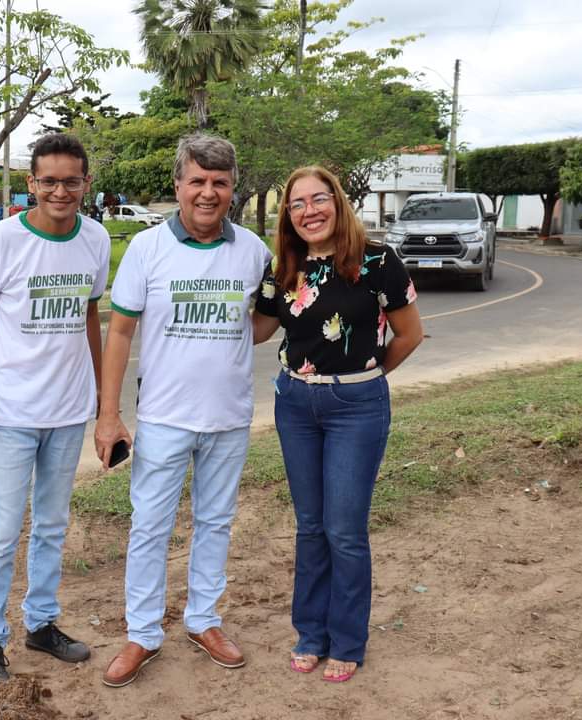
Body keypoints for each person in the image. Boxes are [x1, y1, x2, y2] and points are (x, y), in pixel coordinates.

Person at [95, 134, 272, 688]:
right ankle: (143, 634)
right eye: (197, 181)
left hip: (229, 417)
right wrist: (109, 415)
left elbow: (262, 325)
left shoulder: (254, 251)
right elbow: (120, 332)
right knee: (150, 526)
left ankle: (203, 621)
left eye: (219, 183)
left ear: (232, 189)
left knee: (215, 522)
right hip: (165, 418)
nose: (207, 193)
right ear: (178, 186)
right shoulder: (147, 250)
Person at [252, 165, 423, 683]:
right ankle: (310, 634)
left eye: (319, 199)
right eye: (297, 204)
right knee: (309, 527)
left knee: (344, 531)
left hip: (356, 408)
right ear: (288, 215)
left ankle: (347, 640)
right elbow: (259, 329)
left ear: (338, 202)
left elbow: (409, 334)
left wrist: (366, 377)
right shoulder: (283, 265)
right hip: (295, 405)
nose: (309, 211)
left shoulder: (377, 261)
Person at [0, 133, 111, 693]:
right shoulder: (3, 240)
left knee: (51, 524)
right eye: (49, 181)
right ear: (31, 184)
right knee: (0, 531)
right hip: (11, 411)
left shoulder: (95, 238)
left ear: (85, 183)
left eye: (71, 180)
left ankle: (41, 624)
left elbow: (92, 316)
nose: (60, 191)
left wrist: (99, 395)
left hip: (67, 410)